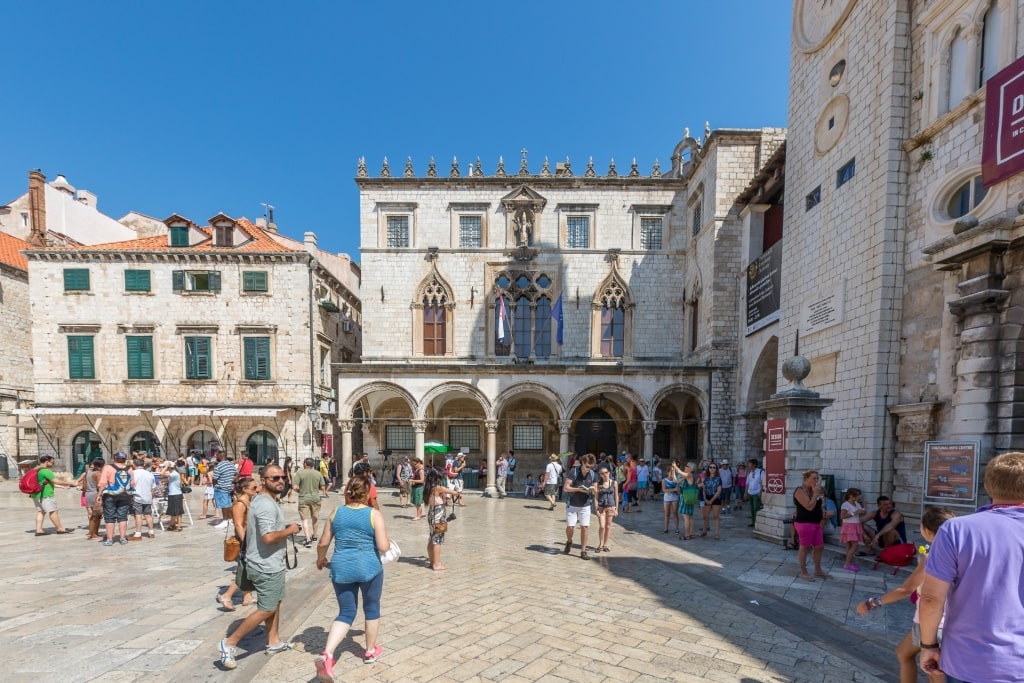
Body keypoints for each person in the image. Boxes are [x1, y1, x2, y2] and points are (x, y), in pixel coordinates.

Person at [918, 451, 1024, 683]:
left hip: (969, 660)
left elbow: (931, 599)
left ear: (987, 486)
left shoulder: (956, 530)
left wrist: (928, 644)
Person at [856, 506, 954, 683]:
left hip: (931, 622)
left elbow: (906, 589)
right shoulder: (964, 553)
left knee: (934, 672)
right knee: (904, 653)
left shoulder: (933, 557)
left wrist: (872, 603)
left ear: (926, 530)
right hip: (952, 621)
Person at [218, 464, 301, 670]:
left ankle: (274, 641)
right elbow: (268, 537)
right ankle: (230, 643)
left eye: (282, 477)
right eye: (275, 478)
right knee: (267, 607)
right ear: (263, 481)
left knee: (275, 602)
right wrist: (290, 530)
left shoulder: (264, 500)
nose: (280, 480)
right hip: (266, 565)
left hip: (270, 562)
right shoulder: (265, 504)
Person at [314, 475, 391, 681]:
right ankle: (370, 650)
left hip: (342, 567)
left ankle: (328, 654)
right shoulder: (374, 514)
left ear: (348, 491)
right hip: (369, 567)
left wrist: (321, 560)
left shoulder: (335, 512)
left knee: (346, 612)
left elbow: (323, 543)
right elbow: (383, 547)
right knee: (371, 608)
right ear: (367, 493)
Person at [219, 476, 259, 611]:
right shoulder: (240, 504)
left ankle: (247, 597)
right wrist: (246, 543)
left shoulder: (248, 501)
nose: (257, 489)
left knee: (246, 568)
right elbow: (238, 524)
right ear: (244, 489)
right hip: (244, 540)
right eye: (254, 487)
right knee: (246, 570)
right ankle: (226, 595)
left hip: (249, 537)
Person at [793, 470, 832, 581]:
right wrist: (815, 494)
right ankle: (803, 572)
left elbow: (818, 505)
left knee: (819, 546)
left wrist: (822, 510)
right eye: (814, 478)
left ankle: (818, 570)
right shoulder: (800, 491)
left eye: (817, 478)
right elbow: (809, 506)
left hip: (816, 523)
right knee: (804, 547)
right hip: (804, 523)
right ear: (806, 479)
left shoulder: (815, 490)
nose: (816, 480)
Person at [563, 453, 598, 560]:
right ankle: (569, 541)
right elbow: (566, 488)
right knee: (570, 527)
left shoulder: (593, 475)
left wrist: (593, 489)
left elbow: (596, 491)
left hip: (586, 504)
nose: (589, 469)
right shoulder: (574, 472)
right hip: (573, 503)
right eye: (587, 466)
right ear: (582, 462)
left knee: (585, 527)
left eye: (591, 467)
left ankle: (583, 551)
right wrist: (578, 489)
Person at [98, 451, 136, 546]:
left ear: (115, 458)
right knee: (123, 517)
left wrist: (99, 495)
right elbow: (132, 484)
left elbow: (103, 483)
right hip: (125, 495)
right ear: (125, 459)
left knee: (109, 517)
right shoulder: (129, 469)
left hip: (110, 495)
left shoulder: (108, 467)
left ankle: (110, 539)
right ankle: (123, 538)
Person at [31, 454, 75, 536]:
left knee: (41, 511)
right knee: (53, 511)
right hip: (46, 495)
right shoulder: (46, 471)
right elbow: (56, 481)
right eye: (52, 463)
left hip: (36, 494)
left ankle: (39, 530)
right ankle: (60, 529)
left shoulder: (36, 469)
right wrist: (71, 482)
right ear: (47, 462)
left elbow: (44, 483)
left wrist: (62, 487)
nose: (53, 464)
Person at [423, 468, 457, 571]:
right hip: (438, 514)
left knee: (432, 537)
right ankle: (436, 564)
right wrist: (456, 494)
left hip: (432, 513)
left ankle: (432, 561)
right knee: (438, 540)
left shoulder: (428, 488)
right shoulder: (437, 488)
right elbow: (454, 492)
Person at [295, 457, 327, 548]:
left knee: (305, 519)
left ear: (305, 464)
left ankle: (308, 539)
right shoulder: (318, 474)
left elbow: (294, 487)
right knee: (315, 517)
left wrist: (300, 491)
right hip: (315, 498)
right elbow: (323, 487)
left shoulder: (300, 473)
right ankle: (315, 536)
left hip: (303, 498)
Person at [593, 464, 618, 553]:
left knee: (608, 526)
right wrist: (596, 509)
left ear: (609, 473)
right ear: (599, 474)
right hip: (601, 507)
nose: (604, 475)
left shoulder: (614, 483)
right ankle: (600, 544)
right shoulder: (598, 484)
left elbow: (616, 496)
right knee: (602, 526)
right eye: (602, 473)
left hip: (611, 507)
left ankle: (605, 544)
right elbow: (595, 497)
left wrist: (616, 509)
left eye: (606, 472)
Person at [839, 488, 866, 572]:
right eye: (857, 495)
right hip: (849, 526)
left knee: (850, 546)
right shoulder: (845, 504)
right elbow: (842, 516)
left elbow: (861, 512)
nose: (859, 497)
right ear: (851, 495)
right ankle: (847, 564)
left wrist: (864, 507)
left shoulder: (857, 504)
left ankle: (849, 562)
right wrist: (854, 513)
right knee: (854, 545)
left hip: (855, 525)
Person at [130, 458, 157, 540]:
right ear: (143, 465)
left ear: (134, 465)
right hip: (147, 497)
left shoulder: (133, 474)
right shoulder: (150, 474)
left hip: (137, 497)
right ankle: (151, 532)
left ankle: (138, 534)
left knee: (138, 515)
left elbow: (131, 485)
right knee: (148, 515)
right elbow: (153, 488)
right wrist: (151, 498)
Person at [79, 457, 104, 540]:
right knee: (97, 515)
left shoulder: (88, 472)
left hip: (88, 494)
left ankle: (92, 532)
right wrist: (100, 495)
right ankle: (94, 534)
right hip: (95, 494)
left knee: (93, 515)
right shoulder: (97, 474)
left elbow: (84, 485)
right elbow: (100, 486)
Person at [211, 451, 237, 530]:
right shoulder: (230, 465)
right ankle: (230, 519)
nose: (216, 457)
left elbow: (215, 478)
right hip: (229, 487)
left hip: (221, 488)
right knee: (228, 504)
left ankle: (225, 521)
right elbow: (236, 474)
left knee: (224, 505)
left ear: (220, 456)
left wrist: (214, 485)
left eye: (217, 456)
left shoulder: (219, 466)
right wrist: (231, 481)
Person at [698, 463, 723, 539]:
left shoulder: (718, 479)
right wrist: (705, 499)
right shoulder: (705, 478)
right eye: (710, 467)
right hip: (707, 497)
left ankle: (716, 534)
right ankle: (704, 531)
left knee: (716, 516)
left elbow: (719, 491)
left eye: (714, 467)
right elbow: (701, 487)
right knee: (705, 516)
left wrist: (711, 500)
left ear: (716, 469)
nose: (712, 468)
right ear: (708, 469)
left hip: (716, 498)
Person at [677, 462, 698, 540]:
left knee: (686, 518)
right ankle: (691, 534)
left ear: (690, 468)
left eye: (687, 466)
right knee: (690, 517)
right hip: (689, 498)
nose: (685, 467)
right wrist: (673, 471)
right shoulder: (687, 476)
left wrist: (675, 466)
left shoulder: (689, 475)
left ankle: (687, 535)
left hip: (686, 499)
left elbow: (679, 472)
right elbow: (677, 481)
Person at [162, 460, 185, 531]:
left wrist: (166, 466)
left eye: (164, 466)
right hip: (172, 493)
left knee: (178, 510)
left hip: (176, 494)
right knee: (172, 510)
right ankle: (172, 524)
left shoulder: (175, 474)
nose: (163, 467)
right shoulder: (172, 473)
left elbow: (162, 473)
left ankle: (179, 525)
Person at [661, 461, 681, 534]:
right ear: (668, 472)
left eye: (673, 472)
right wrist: (674, 489)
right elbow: (664, 490)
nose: (672, 474)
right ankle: (666, 528)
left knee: (675, 513)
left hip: (675, 498)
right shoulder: (664, 480)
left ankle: (677, 528)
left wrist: (677, 490)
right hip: (667, 498)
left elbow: (678, 489)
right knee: (667, 514)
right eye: (671, 472)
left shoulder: (676, 480)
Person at [744, 458, 764, 527]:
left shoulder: (760, 472)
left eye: (750, 464)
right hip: (750, 492)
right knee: (752, 508)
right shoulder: (750, 473)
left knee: (756, 508)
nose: (748, 465)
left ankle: (757, 522)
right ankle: (753, 522)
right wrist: (745, 493)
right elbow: (747, 483)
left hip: (757, 493)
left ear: (754, 465)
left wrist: (761, 492)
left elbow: (762, 482)